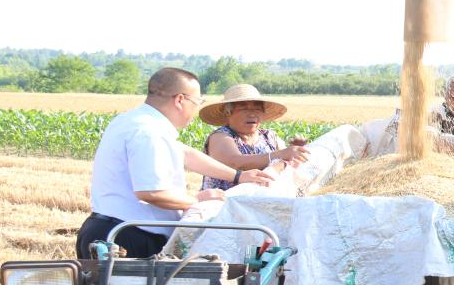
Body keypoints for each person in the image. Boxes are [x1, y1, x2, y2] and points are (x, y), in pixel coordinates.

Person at [76, 68, 274, 259]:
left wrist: (238, 176)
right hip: (129, 238)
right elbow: (151, 193)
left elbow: (185, 154)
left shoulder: (131, 120)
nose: (195, 109)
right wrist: (198, 201)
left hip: (104, 230)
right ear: (180, 100)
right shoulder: (149, 132)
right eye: (197, 102)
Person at [198, 84, 310, 190]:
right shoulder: (220, 136)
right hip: (225, 204)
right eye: (243, 109)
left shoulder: (270, 137)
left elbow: (284, 161)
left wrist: (295, 153)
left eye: (257, 109)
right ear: (228, 113)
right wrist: (282, 154)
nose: (252, 114)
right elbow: (236, 162)